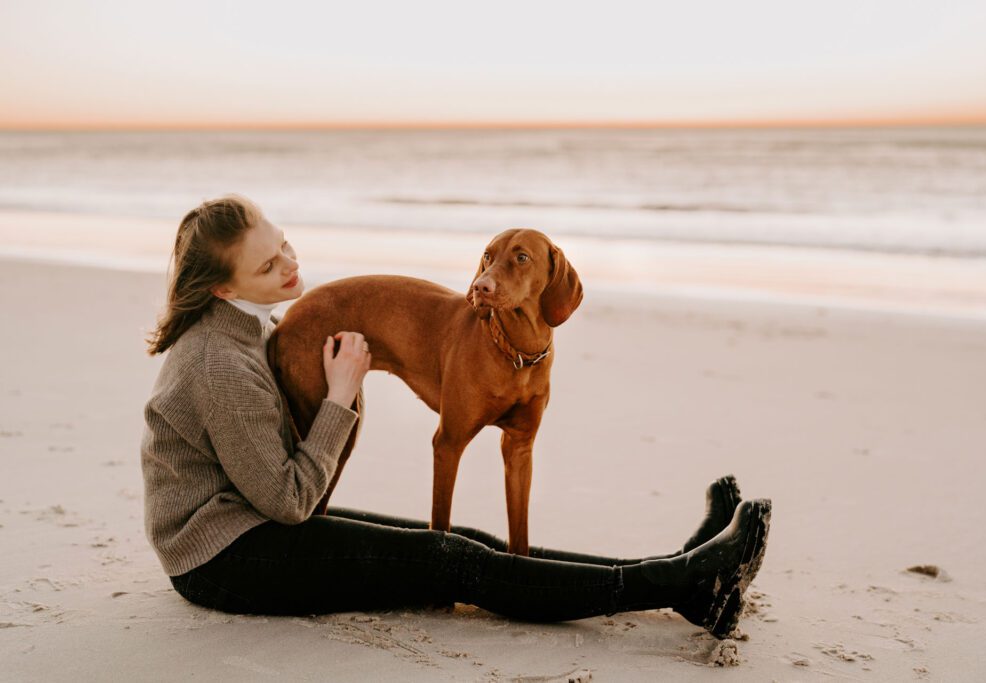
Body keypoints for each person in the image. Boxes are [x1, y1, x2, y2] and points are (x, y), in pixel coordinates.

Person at [140, 194, 771, 639]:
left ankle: (679, 567)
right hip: (226, 559)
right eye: (268, 265)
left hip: (255, 527)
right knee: (455, 563)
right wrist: (340, 396)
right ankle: (683, 583)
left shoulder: (248, 330)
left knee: (468, 545)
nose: (290, 264)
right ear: (223, 288)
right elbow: (288, 502)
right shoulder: (218, 364)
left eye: (284, 245)